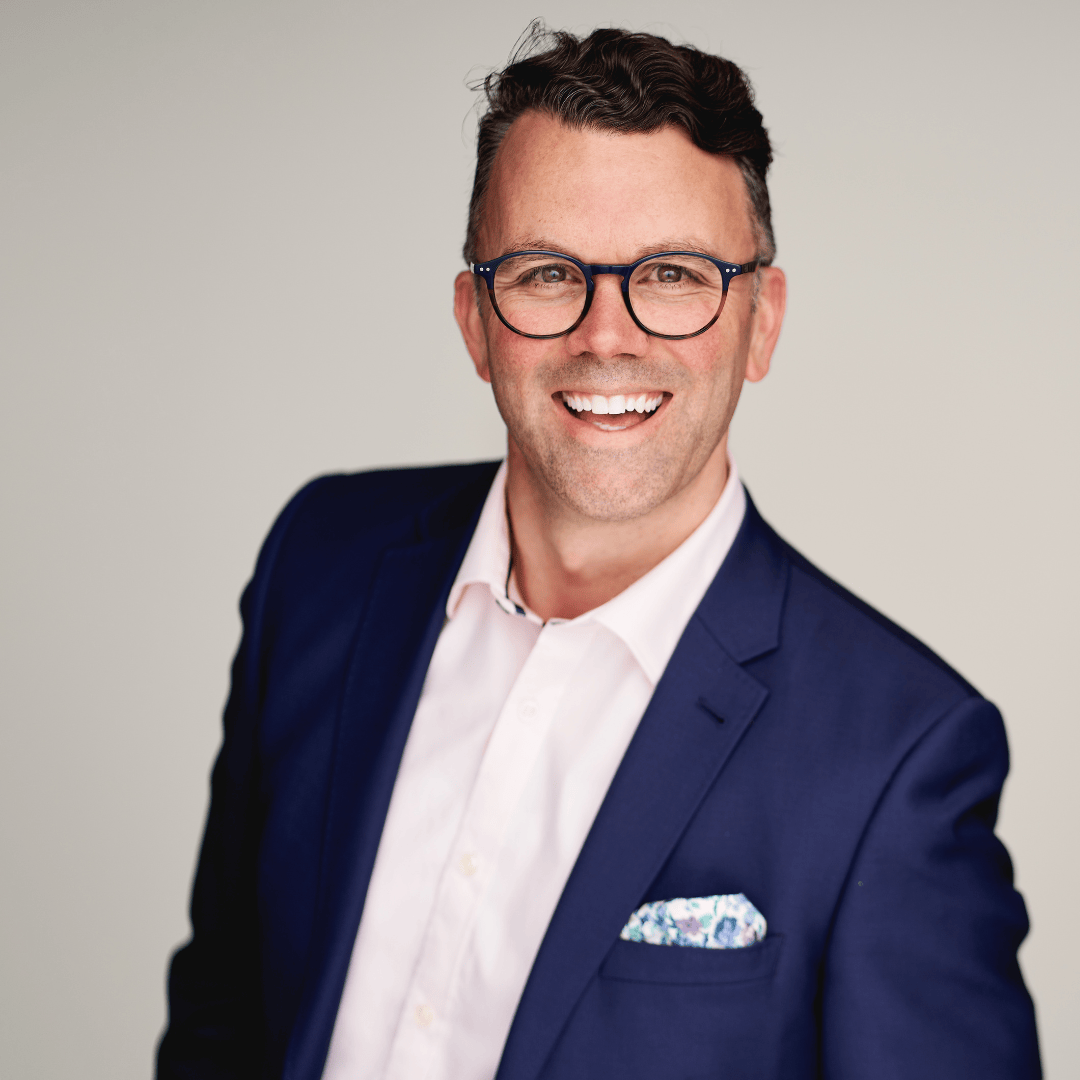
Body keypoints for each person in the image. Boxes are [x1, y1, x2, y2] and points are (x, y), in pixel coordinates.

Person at [157, 25, 1041, 1080]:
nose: (606, 336)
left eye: (672, 274)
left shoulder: (898, 756)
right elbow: (220, 1018)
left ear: (761, 322)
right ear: (474, 320)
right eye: (546, 273)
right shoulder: (320, 566)